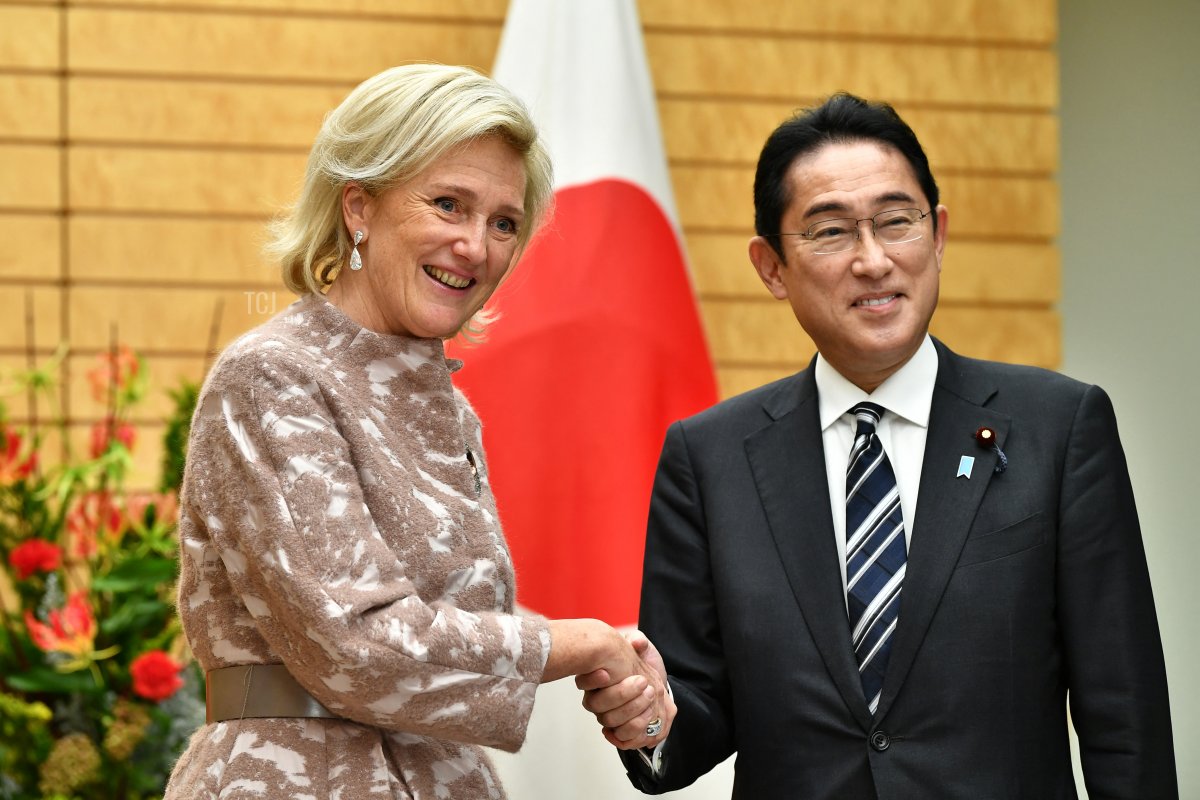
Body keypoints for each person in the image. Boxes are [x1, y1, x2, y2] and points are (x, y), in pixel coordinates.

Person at [578, 93, 1177, 797]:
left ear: (938, 234)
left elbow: (1124, 715)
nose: (874, 260)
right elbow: (690, 720)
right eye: (830, 232)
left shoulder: (1060, 427)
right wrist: (647, 716)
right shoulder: (710, 458)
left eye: (897, 222)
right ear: (771, 267)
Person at [164, 63, 670, 800]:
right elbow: (357, 644)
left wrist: (617, 661)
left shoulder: (448, 406)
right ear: (359, 207)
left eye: (504, 223)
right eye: (448, 205)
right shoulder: (272, 376)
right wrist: (578, 642)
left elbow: (450, 630)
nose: (476, 246)